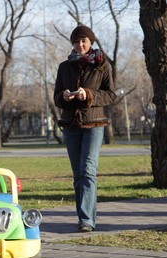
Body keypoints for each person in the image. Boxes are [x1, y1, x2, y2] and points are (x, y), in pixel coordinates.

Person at [53, 25, 116, 232]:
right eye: (77, 42)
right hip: (70, 126)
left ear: (91, 43)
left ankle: (87, 220)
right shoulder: (64, 67)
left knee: (88, 170)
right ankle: (83, 218)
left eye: (84, 41)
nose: (80, 45)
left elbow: (110, 95)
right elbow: (56, 97)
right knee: (78, 174)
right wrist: (63, 97)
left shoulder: (101, 65)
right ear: (72, 43)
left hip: (93, 124)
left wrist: (87, 94)